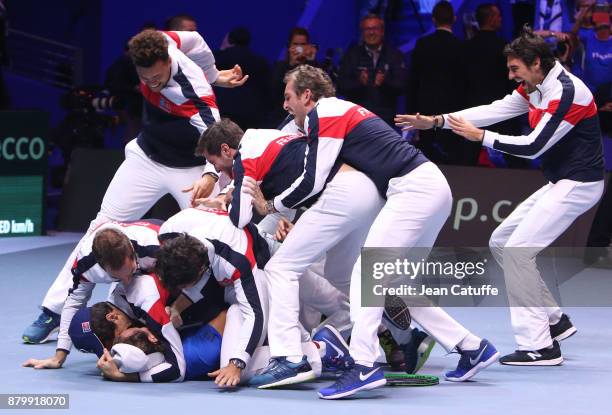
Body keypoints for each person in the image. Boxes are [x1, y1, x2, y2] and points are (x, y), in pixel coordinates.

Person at [247, 65, 499, 398]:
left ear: (307, 95)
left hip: (415, 189)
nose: (285, 105)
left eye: (288, 97)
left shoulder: (328, 111)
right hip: (426, 188)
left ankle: (363, 365)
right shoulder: (335, 113)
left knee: (369, 273)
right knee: (388, 282)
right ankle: (471, 346)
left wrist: (271, 206)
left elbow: (312, 180)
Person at [395, 27, 605, 365]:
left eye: (515, 69)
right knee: (501, 240)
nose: (511, 77)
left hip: (579, 185)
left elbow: (534, 146)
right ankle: (554, 319)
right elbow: (494, 110)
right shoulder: (534, 85)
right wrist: (436, 121)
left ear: (536, 63)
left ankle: (540, 346)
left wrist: (482, 139)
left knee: (518, 250)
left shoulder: (568, 92)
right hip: (560, 181)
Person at [22, 29, 246, 344]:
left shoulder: (193, 89)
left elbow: (217, 134)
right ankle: (53, 311)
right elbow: (194, 38)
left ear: (169, 62)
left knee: (212, 239)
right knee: (99, 229)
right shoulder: (158, 41)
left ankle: (224, 317)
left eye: (157, 78)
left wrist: (210, 175)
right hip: (147, 157)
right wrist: (214, 73)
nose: (152, 84)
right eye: (146, 79)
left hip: (191, 168)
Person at [69, 302, 353, 387]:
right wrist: (59, 355)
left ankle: (322, 348)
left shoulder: (145, 295)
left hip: (248, 299)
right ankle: (330, 346)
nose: (111, 347)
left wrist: (123, 376)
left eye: (109, 340)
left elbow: (173, 369)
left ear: (114, 317)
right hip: (246, 306)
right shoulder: (128, 307)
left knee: (345, 292)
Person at [22, 221, 162, 371]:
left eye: (130, 271)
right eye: (118, 276)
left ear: (132, 253)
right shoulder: (86, 264)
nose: (128, 281)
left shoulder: (155, 247)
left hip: (159, 258)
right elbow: (75, 302)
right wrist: (59, 357)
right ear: (102, 267)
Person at [407, 1, 470, 165]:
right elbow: (465, 82)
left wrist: (412, 111)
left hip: (426, 108)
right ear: (454, 19)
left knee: (426, 156)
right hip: (453, 111)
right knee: (452, 156)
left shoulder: (423, 44)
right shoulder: (461, 46)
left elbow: (413, 80)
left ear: (433, 20)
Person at [336, 14, 407, 126]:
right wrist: (359, 83)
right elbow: (341, 86)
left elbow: (402, 86)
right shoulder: (351, 55)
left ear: (382, 31)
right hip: (357, 121)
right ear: (362, 33)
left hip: (386, 121)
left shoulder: (394, 55)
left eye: (375, 29)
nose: (371, 33)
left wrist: (385, 81)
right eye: (367, 29)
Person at [269, 28, 320, 126]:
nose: (299, 48)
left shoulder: (314, 66)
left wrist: (311, 61)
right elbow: (274, 91)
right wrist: (292, 64)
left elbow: (319, 89)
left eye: (303, 44)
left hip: (308, 118)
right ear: (289, 46)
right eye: (296, 44)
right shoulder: (279, 66)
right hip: (282, 117)